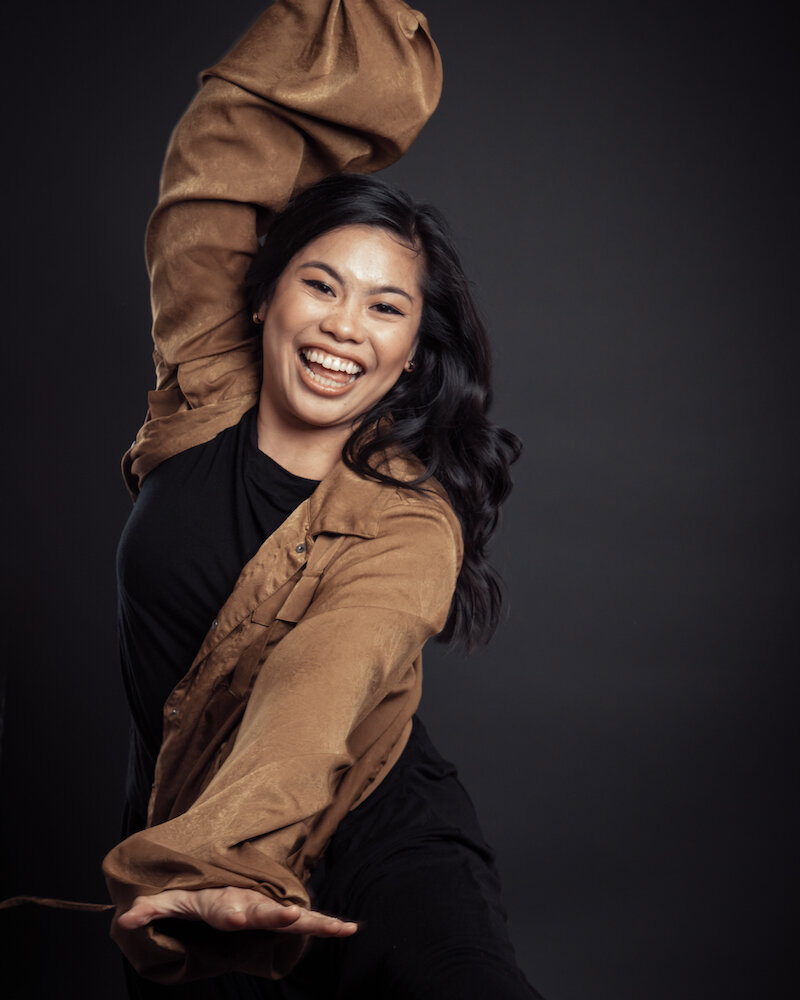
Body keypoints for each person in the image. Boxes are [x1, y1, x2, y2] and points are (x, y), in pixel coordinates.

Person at [103, 1, 540, 996]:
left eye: (386, 306)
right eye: (321, 284)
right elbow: (221, 147)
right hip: (196, 854)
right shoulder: (206, 386)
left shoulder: (408, 521)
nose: (344, 327)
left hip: (374, 843)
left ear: (408, 353)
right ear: (263, 295)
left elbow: (322, 677)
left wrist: (218, 859)